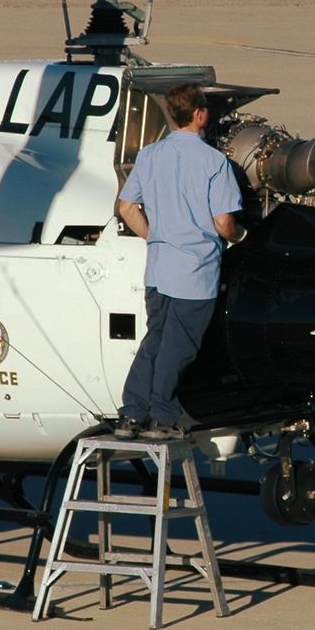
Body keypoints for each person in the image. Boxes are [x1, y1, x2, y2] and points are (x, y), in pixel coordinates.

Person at [113, 83, 244, 438]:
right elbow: (223, 222)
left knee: (154, 339)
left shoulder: (150, 155)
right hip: (195, 273)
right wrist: (241, 238)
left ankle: (131, 413)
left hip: (158, 269)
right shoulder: (214, 162)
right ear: (200, 114)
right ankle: (162, 417)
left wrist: (155, 236)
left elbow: (126, 207)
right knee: (178, 346)